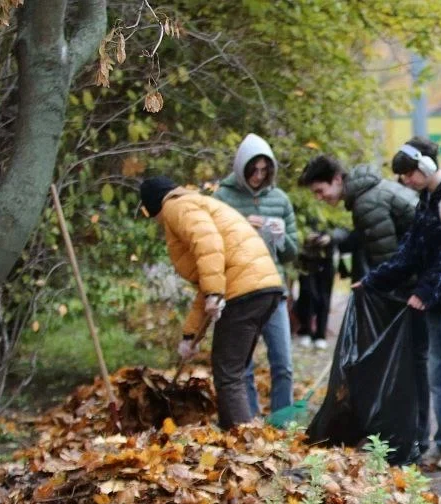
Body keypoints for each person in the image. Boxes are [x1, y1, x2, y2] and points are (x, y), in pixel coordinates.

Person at [361, 138, 441, 471]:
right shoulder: (427, 201)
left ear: (426, 166)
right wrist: (375, 280)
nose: (405, 180)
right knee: (439, 374)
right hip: (438, 302)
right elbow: (410, 252)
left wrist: (425, 290)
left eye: (408, 173)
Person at [298, 153, 429, 454]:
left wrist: (376, 287)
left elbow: (391, 259)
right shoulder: (369, 192)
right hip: (423, 283)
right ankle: (413, 436)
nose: (321, 198)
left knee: (413, 364)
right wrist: (334, 239)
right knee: (413, 363)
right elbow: (367, 237)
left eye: (321, 191)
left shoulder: (367, 200)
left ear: (337, 179)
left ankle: (413, 439)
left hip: (421, 288)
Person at [140, 177, 285, 429]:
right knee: (232, 369)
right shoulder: (194, 204)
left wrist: (215, 293)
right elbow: (206, 278)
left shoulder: (176, 207)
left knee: (228, 372)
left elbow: (208, 244)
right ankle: (233, 433)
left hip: (244, 290)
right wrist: (189, 336)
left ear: (153, 205)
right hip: (262, 286)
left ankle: (245, 444)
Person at [211, 134, 298, 417]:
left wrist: (281, 237)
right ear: (241, 168)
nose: (258, 176)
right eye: (253, 170)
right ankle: (248, 422)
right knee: (243, 365)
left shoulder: (280, 199)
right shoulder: (223, 197)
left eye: (264, 170)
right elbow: (213, 247)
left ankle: (282, 422)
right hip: (238, 293)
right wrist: (240, 229)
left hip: (274, 290)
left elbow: (291, 253)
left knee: (282, 362)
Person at [294, 212, 339, 350]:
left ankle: (320, 334)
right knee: (308, 294)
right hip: (307, 258)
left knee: (324, 297)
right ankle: (306, 330)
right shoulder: (303, 205)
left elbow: (345, 229)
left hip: (326, 259)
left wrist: (330, 237)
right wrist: (304, 236)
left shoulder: (333, 206)